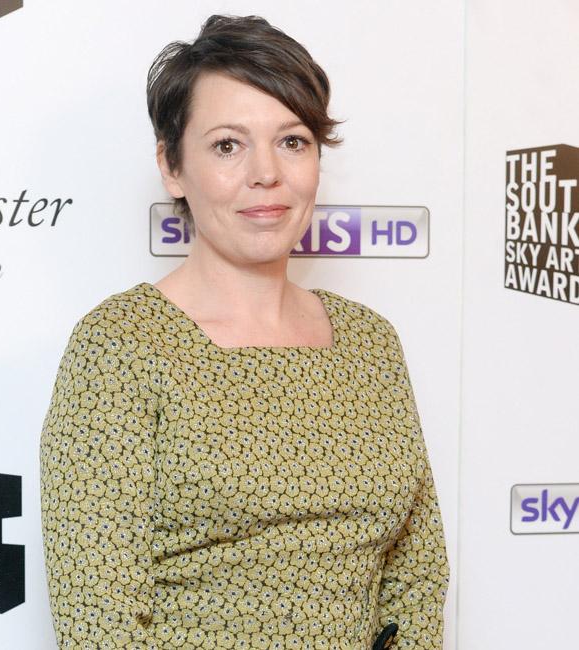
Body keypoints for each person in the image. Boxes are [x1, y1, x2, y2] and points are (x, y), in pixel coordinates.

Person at [39, 13, 449, 650]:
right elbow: (100, 621)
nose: (267, 174)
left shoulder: (370, 341)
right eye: (228, 145)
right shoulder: (121, 345)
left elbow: (417, 573)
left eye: (293, 142)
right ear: (172, 166)